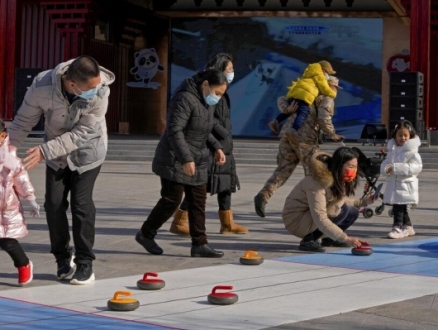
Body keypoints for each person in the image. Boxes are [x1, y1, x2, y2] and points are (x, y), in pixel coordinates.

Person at [8, 55, 116, 285]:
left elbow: (83, 133)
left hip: (88, 153)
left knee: (81, 205)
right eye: (91, 88)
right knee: (53, 205)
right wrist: (6, 152)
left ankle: (85, 263)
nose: (95, 90)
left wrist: (45, 150)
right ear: (72, 83)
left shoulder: (101, 91)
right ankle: (62, 259)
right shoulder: (42, 85)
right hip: (56, 156)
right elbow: (23, 121)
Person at [135, 69, 228, 258]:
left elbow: (203, 128)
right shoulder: (184, 98)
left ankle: (200, 244)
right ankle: (146, 234)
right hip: (174, 156)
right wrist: (186, 158)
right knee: (171, 200)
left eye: (221, 95)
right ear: (205, 85)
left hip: (198, 157)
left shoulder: (206, 102)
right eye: (217, 93)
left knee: (198, 201)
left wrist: (217, 146)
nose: (217, 98)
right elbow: (175, 130)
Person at [169, 53, 247, 236]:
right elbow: (208, 119)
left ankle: (227, 223)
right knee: (200, 186)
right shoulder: (209, 90)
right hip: (211, 143)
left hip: (222, 145)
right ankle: (179, 220)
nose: (232, 73)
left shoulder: (222, 89)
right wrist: (223, 134)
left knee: (226, 184)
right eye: (230, 69)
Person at [254, 76, 345, 218]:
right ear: (330, 87)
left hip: (287, 135)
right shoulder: (326, 97)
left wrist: (287, 109)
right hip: (305, 139)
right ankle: (313, 208)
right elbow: (323, 118)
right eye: (335, 88)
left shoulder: (304, 92)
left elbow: (282, 99)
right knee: (314, 174)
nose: (336, 91)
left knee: (282, 170)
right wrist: (332, 134)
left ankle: (264, 194)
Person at [282, 147, 376, 252]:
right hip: (296, 220)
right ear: (339, 165)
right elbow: (320, 217)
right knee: (336, 209)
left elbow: (343, 200)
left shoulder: (338, 179)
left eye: (355, 167)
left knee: (352, 211)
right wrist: (345, 238)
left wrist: (364, 201)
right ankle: (309, 240)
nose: (354, 170)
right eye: (350, 166)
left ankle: (329, 239)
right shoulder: (316, 183)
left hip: (310, 216)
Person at [0, 119, 40, 286]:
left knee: (8, 241)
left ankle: (24, 264)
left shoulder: (10, 159)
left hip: (7, 207)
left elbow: (22, 180)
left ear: (3, 136)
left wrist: (30, 198)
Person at [267, 60, 337, 136]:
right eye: (328, 74)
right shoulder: (319, 76)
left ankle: (275, 121)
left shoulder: (309, 73)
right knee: (303, 113)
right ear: (323, 71)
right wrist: (333, 94)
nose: (328, 76)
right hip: (303, 97)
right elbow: (324, 89)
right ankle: (293, 131)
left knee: (291, 110)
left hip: (294, 95)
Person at [380, 120, 422, 239]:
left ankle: (397, 227)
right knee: (400, 207)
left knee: (398, 207)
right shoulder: (392, 151)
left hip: (406, 185)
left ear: (410, 136)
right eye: (400, 135)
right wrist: (386, 168)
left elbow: (416, 167)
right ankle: (408, 226)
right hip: (394, 184)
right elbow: (385, 163)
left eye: (405, 135)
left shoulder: (412, 152)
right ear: (395, 136)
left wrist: (395, 168)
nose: (402, 138)